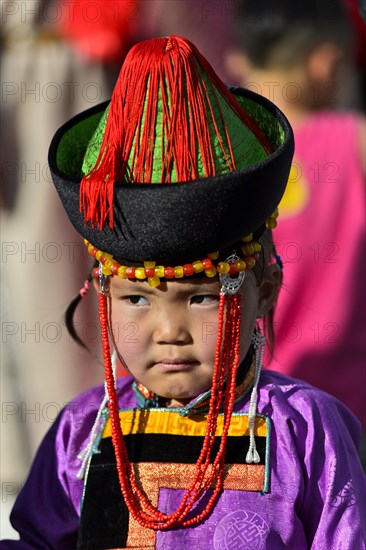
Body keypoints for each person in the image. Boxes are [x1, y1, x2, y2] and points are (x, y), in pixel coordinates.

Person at [2, 36, 365, 549]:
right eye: (136, 299)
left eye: (201, 297)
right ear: (101, 293)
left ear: (263, 290)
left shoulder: (304, 431)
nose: (169, 331)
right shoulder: (81, 432)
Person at [226, 0, 366, 427]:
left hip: (241, 405)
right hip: (344, 408)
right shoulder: (355, 145)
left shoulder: (219, 155)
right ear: (325, 63)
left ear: (239, 60)